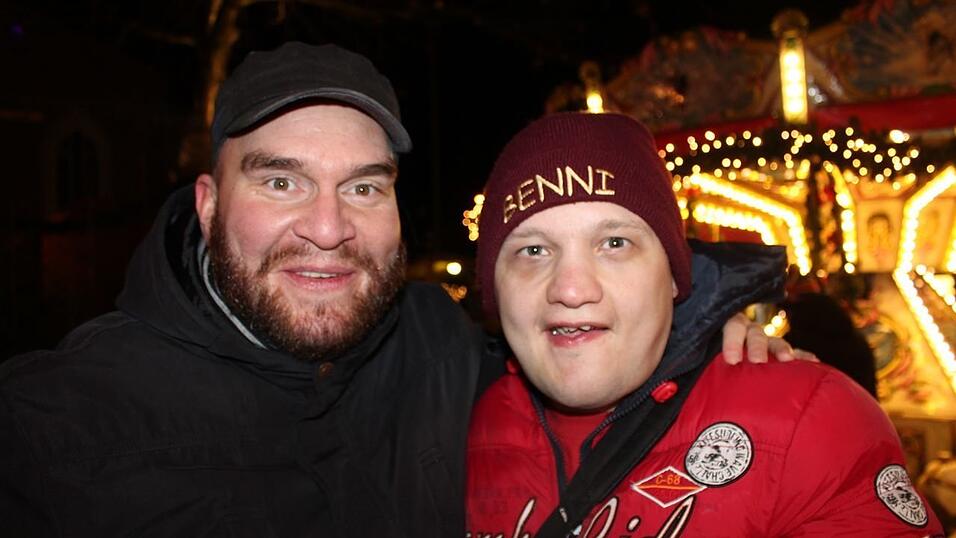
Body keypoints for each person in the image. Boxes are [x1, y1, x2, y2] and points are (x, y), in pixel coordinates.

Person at [0, 42, 799, 537]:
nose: (326, 227)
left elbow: (572, 315)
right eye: (281, 182)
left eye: (363, 187)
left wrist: (706, 326)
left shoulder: (439, 344)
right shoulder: (54, 427)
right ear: (208, 205)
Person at [466, 112, 943, 536]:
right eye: (533, 250)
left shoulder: (809, 424)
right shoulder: (451, 431)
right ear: (495, 288)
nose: (571, 289)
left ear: (675, 275)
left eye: (614, 243)